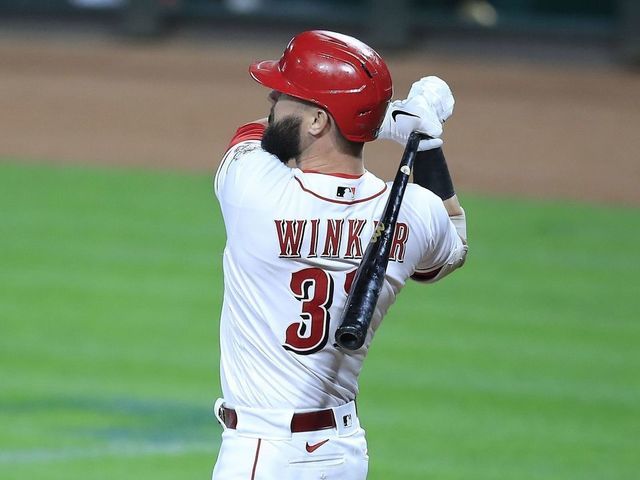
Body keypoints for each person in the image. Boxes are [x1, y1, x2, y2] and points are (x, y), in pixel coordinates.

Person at [211, 30, 467, 479]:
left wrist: (388, 120)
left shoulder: (253, 190)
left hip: (263, 454)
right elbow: (451, 247)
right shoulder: (413, 211)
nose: (273, 98)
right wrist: (425, 140)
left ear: (316, 122)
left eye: (287, 94)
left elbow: (254, 133)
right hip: (342, 453)